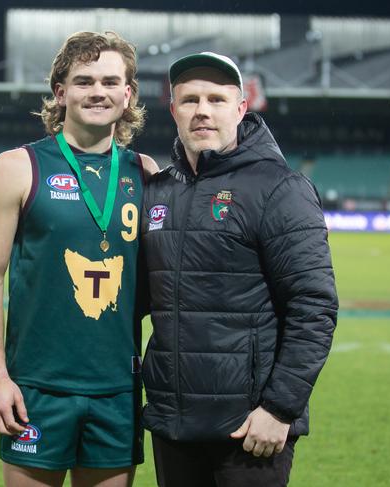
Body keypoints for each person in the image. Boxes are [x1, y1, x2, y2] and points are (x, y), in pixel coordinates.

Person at [140, 52, 338, 487]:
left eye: (216, 99)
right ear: (173, 110)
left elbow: (314, 308)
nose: (203, 110)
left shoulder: (280, 188)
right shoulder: (158, 191)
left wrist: (279, 410)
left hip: (251, 428)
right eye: (189, 100)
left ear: (241, 108)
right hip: (175, 424)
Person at [0, 31, 158, 487]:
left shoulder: (148, 174)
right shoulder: (16, 167)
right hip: (36, 387)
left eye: (111, 82)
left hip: (117, 388)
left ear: (128, 93)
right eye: (84, 81)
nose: (98, 92)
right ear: (61, 92)